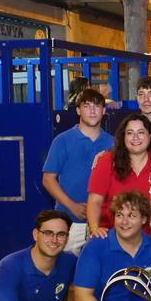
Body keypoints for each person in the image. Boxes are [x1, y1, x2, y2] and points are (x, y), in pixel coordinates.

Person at [43, 88, 112, 253]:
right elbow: (48, 179)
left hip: (103, 224)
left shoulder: (113, 143)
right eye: (87, 106)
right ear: (78, 110)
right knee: (64, 272)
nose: (93, 110)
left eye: (97, 106)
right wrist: (72, 206)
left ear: (104, 110)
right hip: (69, 221)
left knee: (97, 275)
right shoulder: (62, 140)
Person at [87, 113, 151, 243]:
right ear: (123, 137)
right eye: (130, 133)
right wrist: (95, 228)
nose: (135, 137)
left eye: (141, 132)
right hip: (113, 240)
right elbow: (95, 200)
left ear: (150, 136)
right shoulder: (107, 161)